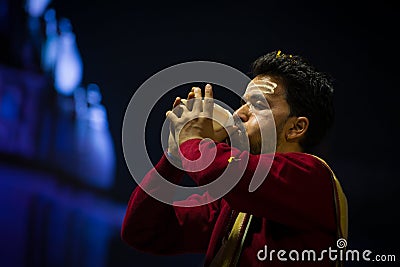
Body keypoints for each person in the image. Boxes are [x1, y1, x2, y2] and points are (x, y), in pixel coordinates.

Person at [121, 50, 348, 267]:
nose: (239, 114)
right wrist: (173, 158)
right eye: (243, 103)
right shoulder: (234, 203)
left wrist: (192, 143)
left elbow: (224, 170)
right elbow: (141, 231)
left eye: (258, 105)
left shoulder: (312, 177)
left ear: (296, 127)